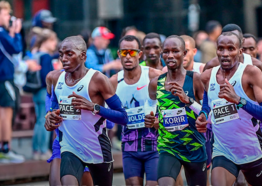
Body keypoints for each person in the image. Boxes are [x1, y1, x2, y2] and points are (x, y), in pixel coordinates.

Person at [44, 36, 128, 185]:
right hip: (69, 147)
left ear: (83, 56)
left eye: (69, 54)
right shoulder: (54, 78)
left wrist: (93, 107)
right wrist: (50, 117)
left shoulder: (98, 80)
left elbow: (123, 117)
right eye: (61, 54)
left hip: (96, 148)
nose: (64, 58)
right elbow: (53, 109)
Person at [198, 32, 262, 186]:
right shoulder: (207, 76)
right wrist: (203, 115)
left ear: (240, 51)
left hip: (251, 149)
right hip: (223, 149)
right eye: (221, 49)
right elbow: (207, 104)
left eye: (231, 48)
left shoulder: (251, 73)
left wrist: (239, 100)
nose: (225, 54)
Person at [145, 35, 207, 186]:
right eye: (166, 52)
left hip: (194, 146)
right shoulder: (155, 83)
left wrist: (188, 101)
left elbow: (207, 112)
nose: (170, 56)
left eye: (175, 51)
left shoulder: (195, 79)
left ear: (184, 53)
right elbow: (152, 114)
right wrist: (151, 121)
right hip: (168, 146)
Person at [109, 35, 162, 186]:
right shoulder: (114, 81)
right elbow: (108, 115)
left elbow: (172, 106)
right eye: (124, 52)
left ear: (139, 54)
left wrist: (159, 121)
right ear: (119, 54)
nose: (127, 56)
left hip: (155, 145)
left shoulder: (153, 76)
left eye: (132, 52)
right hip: (130, 146)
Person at [0, 1, 27, 163]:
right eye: (5, 14)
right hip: (4, 78)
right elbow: (16, 48)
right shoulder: (2, 33)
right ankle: (5, 148)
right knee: (6, 112)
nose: (9, 17)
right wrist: (16, 32)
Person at [30, 29, 57, 160]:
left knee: (38, 120)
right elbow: (46, 76)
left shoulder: (35, 54)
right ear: (46, 41)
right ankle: (42, 149)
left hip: (35, 91)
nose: (55, 44)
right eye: (52, 40)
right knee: (44, 119)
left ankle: (36, 150)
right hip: (43, 91)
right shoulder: (46, 56)